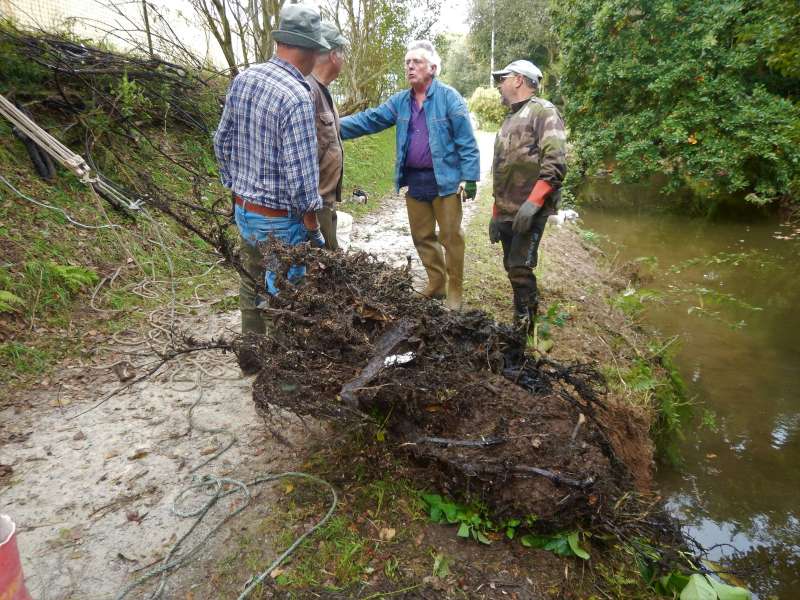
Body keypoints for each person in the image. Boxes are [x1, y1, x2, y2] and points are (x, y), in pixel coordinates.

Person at [213, 4, 329, 339]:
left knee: (251, 281)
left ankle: (251, 353)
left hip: (245, 210)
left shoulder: (245, 79)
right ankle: (284, 379)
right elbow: (302, 179)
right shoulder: (297, 96)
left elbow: (222, 141)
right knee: (286, 295)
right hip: (280, 222)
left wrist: (236, 190)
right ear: (309, 51)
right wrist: (312, 230)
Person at [339, 40, 480, 310]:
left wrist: (470, 177)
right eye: (407, 62)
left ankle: (456, 291)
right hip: (415, 181)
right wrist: (332, 125)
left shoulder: (450, 98)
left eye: (416, 62)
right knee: (422, 236)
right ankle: (437, 285)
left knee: (451, 237)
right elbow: (370, 119)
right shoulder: (401, 102)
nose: (410, 66)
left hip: (446, 181)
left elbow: (466, 140)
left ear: (433, 68)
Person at [489, 60, 567, 338]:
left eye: (503, 78)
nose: (499, 85)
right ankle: (519, 321)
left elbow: (555, 163)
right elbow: (501, 168)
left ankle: (523, 333)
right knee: (511, 266)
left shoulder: (543, 112)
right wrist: (495, 213)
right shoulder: (509, 119)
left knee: (521, 269)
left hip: (530, 210)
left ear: (519, 80)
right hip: (507, 210)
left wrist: (534, 203)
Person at [307, 22, 347, 250]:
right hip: (313, 209)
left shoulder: (324, 91)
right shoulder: (307, 91)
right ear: (334, 55)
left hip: (325, 204)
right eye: (342, 53)